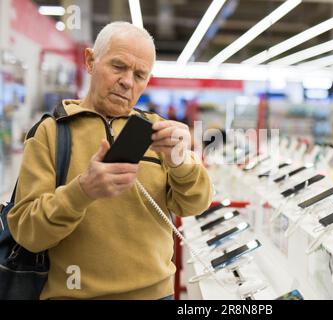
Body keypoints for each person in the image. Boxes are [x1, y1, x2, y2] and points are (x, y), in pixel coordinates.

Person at [7, 22, 213, 300]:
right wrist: (82, 192)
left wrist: (181, 164)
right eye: (118, 67)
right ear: (91, 61)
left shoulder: (158, 130)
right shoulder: (52, 133)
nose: (128, 81)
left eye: (140, 75)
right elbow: (27, 232)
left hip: (156, 295)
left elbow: (194, 204)